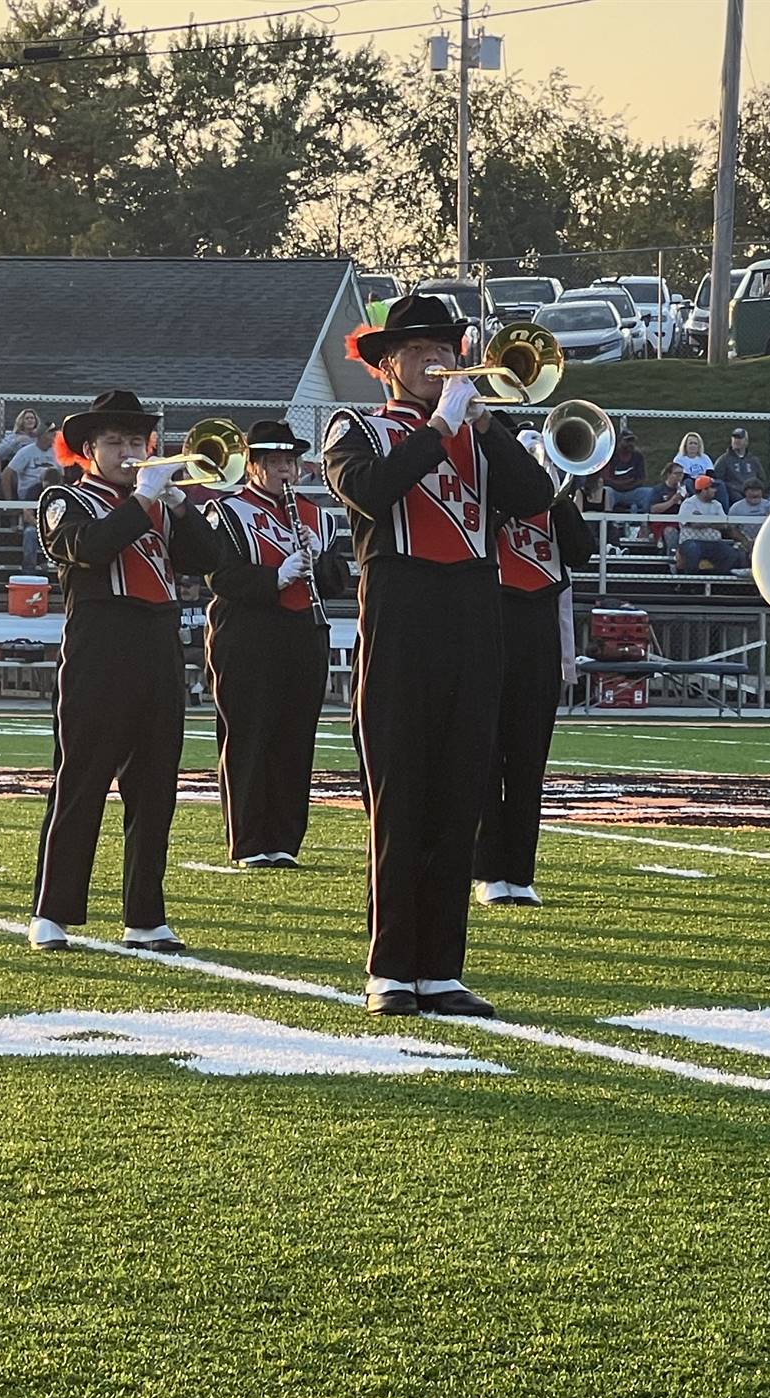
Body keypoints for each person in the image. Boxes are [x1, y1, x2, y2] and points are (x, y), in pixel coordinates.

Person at [325, 294, 553, 1017]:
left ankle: (440, 970)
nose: (438, 360)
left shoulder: (481, 432)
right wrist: (437, 429)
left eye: (446, 348)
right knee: (402, 796)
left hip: (474, 609)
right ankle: (390, 968)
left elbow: (536, 496)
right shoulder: (354, 426)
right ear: (386, 364)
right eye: (420, 350)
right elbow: (369, 491)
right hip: (400, 605)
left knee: (462, 791)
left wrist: (485, 427)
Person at [28, 389, 221, 955]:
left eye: (137, 441)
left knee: (156, 785)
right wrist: (140, 503)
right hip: (99, 642)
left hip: (159, 642)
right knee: (82, 779)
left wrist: (181, 508)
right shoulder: (65, 498)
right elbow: (88, 549)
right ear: (90, 448)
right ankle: (52, 910)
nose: (128, 451)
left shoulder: (161, 504)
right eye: (115, 441)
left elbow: (211, 562)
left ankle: (145, 915)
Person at [202, 419, 348, 869]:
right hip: (247, 632)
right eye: (273, 462)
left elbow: (339, 581)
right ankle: (248, 841)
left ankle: (284, 839)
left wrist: (318, 563)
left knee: (294, 735)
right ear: (252, 466)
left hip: (303, 632)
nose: (284, 470)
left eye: (289, 462)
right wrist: (277, 576)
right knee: (249, 734)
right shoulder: (225, 511)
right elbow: (218, 575)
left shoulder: (319, 517)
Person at [474, 433, 595, 907]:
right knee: (486, 758)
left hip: (539, 634)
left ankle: (520, 871)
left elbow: (581, 551)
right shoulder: (484, 501)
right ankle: (487, 871)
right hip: (491, 623)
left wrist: (555, 496)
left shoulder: (550, 502)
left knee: (528, 762)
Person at [4, 421, 64, 572]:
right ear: (42, 435)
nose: (54, 436)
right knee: (31, 532)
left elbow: (61, 477)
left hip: (52, 494)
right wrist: (10, 503)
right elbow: (7, 474)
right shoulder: (26, 452)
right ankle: (29, 570)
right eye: (51, 433)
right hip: (30, 495)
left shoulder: (56, 453)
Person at [675, 474, 740, 572]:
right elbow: (694, 524)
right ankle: (690, 584)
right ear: (704, 490)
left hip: (713, 542)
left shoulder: (716, 505)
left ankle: (717, 581)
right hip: (691, 541)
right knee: (693, 550)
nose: (715, 491)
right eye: (712, 488)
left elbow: (724, 525)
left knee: (731, 554)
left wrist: (703, 521)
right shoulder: (689, 503)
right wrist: (713, 523)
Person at [602, 429, 655, 512]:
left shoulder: (638, 456)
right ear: (619, 441)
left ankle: (643, 520)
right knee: (607, 491)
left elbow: (642, 478)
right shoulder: (611, 455)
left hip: (632, 491)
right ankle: (608, 522)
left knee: (648, 492)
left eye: (632, 441)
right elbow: (605, 479)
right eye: (627, 441)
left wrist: (628, 486)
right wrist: (623, 484)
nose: (631, 444)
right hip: (614, 491)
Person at [714, 426, 765, 495]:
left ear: (746, 441)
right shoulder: (723, 460)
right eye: (734, 438)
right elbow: (717, 480)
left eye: (740, 438)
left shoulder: (753, 460)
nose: (736, 440)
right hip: (733, 495)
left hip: (753, 494)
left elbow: (761, 479)